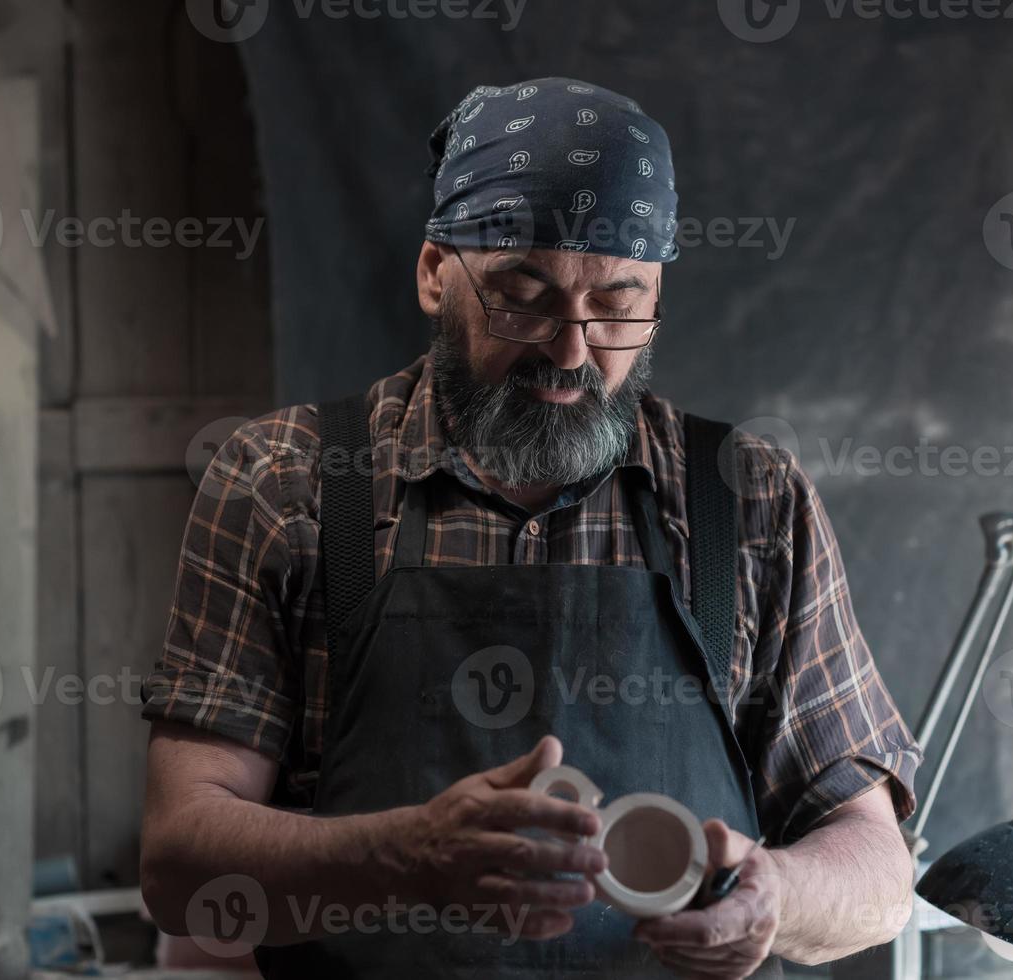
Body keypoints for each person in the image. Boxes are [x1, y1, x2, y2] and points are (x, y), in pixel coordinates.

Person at [139, 76, 922, 979]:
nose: (572, 351)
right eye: (526, 293)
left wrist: (775, 896)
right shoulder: (287, 483)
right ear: (437, 273)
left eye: (618, 303)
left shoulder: (745, 503)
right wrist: (405, 857)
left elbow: (878, 870)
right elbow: (178, 861)